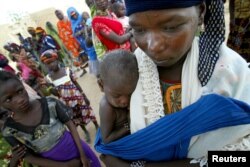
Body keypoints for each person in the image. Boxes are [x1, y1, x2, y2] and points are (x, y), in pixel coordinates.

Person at [96, 0, 250, 167]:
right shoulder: (130, 70)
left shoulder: (231, 74)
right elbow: (110, 143)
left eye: (170, 27)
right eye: (139, 30)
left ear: (201, 12)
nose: (153, 46)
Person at [0, 71, 101, 167]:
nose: (20, 99)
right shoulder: (9, 131)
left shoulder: (50, 104)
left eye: (20, 91)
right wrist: (66, 166)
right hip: (54, 164)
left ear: (24, 86)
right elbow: (28, 157)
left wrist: (82, 154)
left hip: (77, 149)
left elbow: (70, 124)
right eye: (9, 99)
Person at [41, 50, 99, 142]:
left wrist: (84, 96)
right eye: (47, 64)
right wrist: (47, 86)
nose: (50, 65)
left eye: (52, 61)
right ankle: (85, 131)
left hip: (79, 99)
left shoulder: (67, 71)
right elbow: (56, 93)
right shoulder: (49, 78)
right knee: (76, 119)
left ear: (57, 60)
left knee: (88, 112)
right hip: (66, 104)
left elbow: (76, 84)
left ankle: (97, 126)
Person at [98, 49, 138, 144]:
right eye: (117, 95)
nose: (125, 101)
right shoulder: (107, 108)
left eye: (130, 94)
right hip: (123, 145)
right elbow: (106, 139)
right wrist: (129, 124)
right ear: (101, 85)